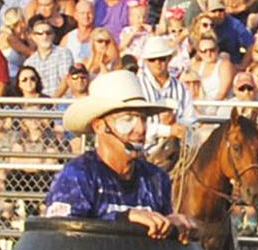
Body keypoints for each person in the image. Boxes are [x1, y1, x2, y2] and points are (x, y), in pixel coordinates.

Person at [45, 69, 196, 240]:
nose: (140, 129)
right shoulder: (78, 175)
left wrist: (173, 227)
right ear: (99, 126)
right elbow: (59, 235)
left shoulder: (156, 178)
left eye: (143, 119)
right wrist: (122, 219)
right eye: (127, 119)